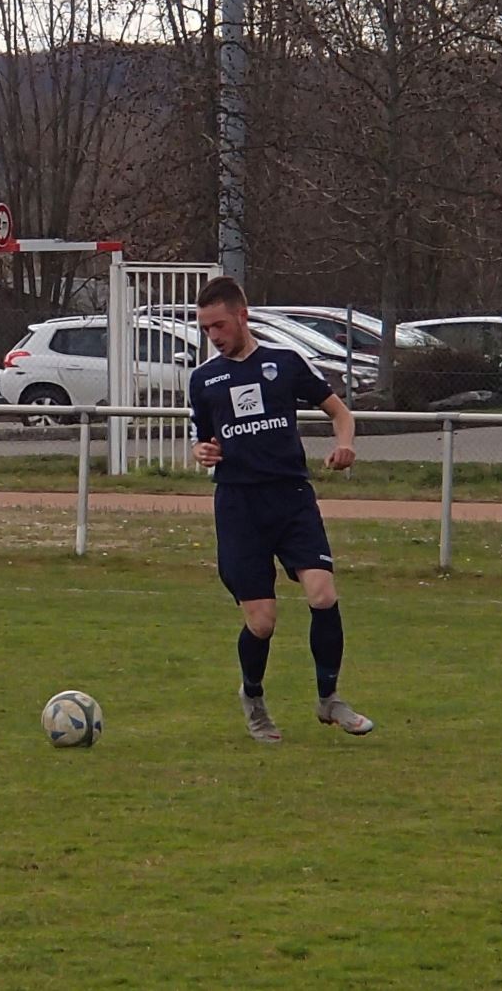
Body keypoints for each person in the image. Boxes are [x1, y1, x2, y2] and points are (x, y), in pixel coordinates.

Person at [188, 276, 374, 743]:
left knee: (323, 595)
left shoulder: (285, 363)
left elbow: (340, 412)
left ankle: (329, 698)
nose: (213, 336)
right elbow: (204, 439)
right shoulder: (204, 380)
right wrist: (202, 451)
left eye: (219, 325)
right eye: (206, 328)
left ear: (242, 315)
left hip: (291, 499)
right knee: (262, 621)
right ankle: (253, 698)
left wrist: (346, 445)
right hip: (239, 507)